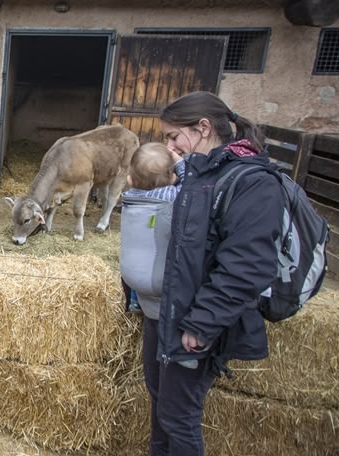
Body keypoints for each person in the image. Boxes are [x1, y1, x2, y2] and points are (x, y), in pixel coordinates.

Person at [150, 91, 284, 455]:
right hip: (173, 312)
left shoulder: (253, 182)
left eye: (174, 135)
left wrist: (203, 322)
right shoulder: (200, 174)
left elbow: (247, 265)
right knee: (162, 404)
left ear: (203, 128)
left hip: (196, 321)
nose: (170, 145)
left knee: (178, 416)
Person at [120, 143, 185, 315]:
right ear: (172, 178)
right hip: (161, 282)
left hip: (130, 276)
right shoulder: (173, 197)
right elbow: (191, 186)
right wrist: (179, 164)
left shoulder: (129, 198)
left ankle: (135, 303)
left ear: (130, 180)